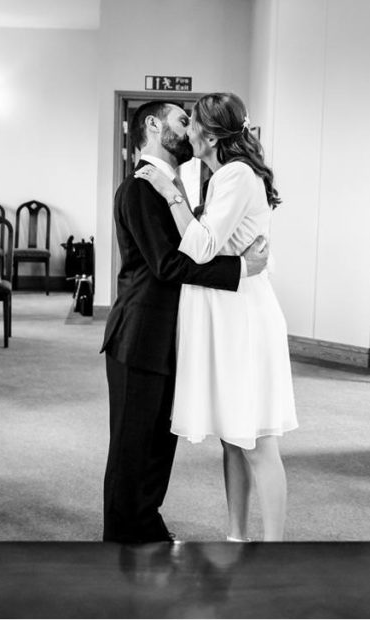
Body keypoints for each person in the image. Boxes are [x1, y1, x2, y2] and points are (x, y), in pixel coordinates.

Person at [101, 100, 268, 545]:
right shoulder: (140, 187)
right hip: (139, 337)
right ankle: (119, 543)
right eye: (182, 119)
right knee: (131, 449)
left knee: (157, 447)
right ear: (153, 126)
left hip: (167, 337)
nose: (189, 127)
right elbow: (166, 266)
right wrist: (240, 271)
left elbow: (199, 244)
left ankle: (146, 526)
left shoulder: (171, 185)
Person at [135, 93, 296, 541]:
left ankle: (274, 549)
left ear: (208, 134)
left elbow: (201, 247)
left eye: (190, 124)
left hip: (243, 320)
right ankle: (236, 537)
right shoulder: (222, 177)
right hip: (226, 316)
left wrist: (170, 194)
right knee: (233, 436)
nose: (185, 132)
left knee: (259, 441)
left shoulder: (236, 175)